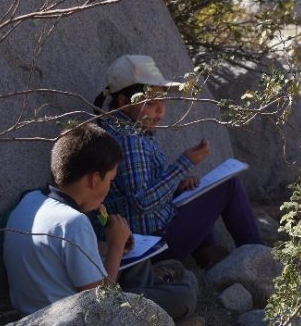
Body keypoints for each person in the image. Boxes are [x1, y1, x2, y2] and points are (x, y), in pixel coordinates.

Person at [3, 124, 201, 326]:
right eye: (110, 180)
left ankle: (156, 290)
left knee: (147, 264)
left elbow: (56, 252)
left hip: (31, 312)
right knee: (185, 292)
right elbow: (102, 304)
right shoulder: (74, 222)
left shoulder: (30, 199)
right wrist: (115, 246)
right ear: (95, 179)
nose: (108, 188)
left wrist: (108, 245)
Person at [93, 54, 263, 269]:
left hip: (149, 237)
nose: (160, 110)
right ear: (124, 103)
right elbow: (142, 202)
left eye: (162, 101)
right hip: (150, 245)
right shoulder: (129, 139)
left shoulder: (129, 131)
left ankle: (207, 255)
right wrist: (185, 162)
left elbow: (139, 195)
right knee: (228, 187)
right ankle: (260, 260)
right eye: (150, 103)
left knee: (192, 191)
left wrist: (176, 186)